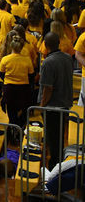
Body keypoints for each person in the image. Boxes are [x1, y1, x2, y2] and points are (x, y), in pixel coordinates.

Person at [37, 32, 74, 169]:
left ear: (45, 45)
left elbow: (48, 88)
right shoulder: (68, 57)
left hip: (52, 106)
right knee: (58, 136)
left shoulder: (48, 62)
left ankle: (54, 168)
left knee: (54, 139)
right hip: (65, 103)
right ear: (59, 43)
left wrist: (42, 105)